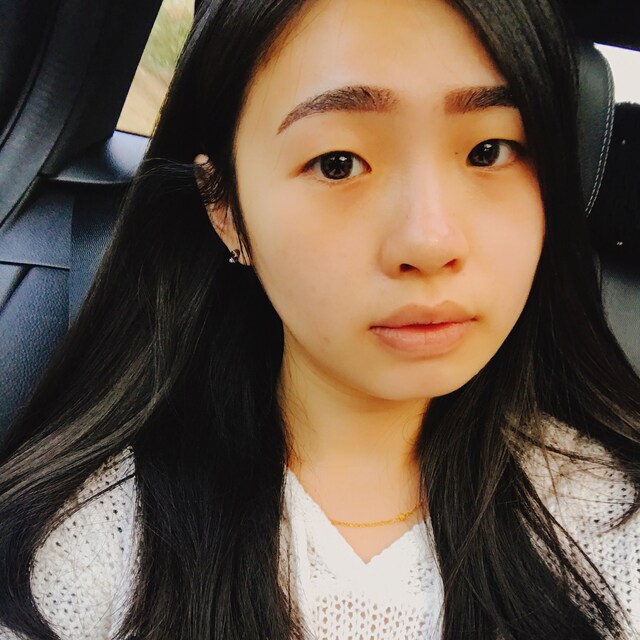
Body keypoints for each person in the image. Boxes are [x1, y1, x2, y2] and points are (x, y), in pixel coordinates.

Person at [0, 0, 639, 638]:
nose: (429, 241)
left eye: (489, 151)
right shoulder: (92, 545)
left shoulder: (614, 524)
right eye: (338, 163)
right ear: (226, 210)